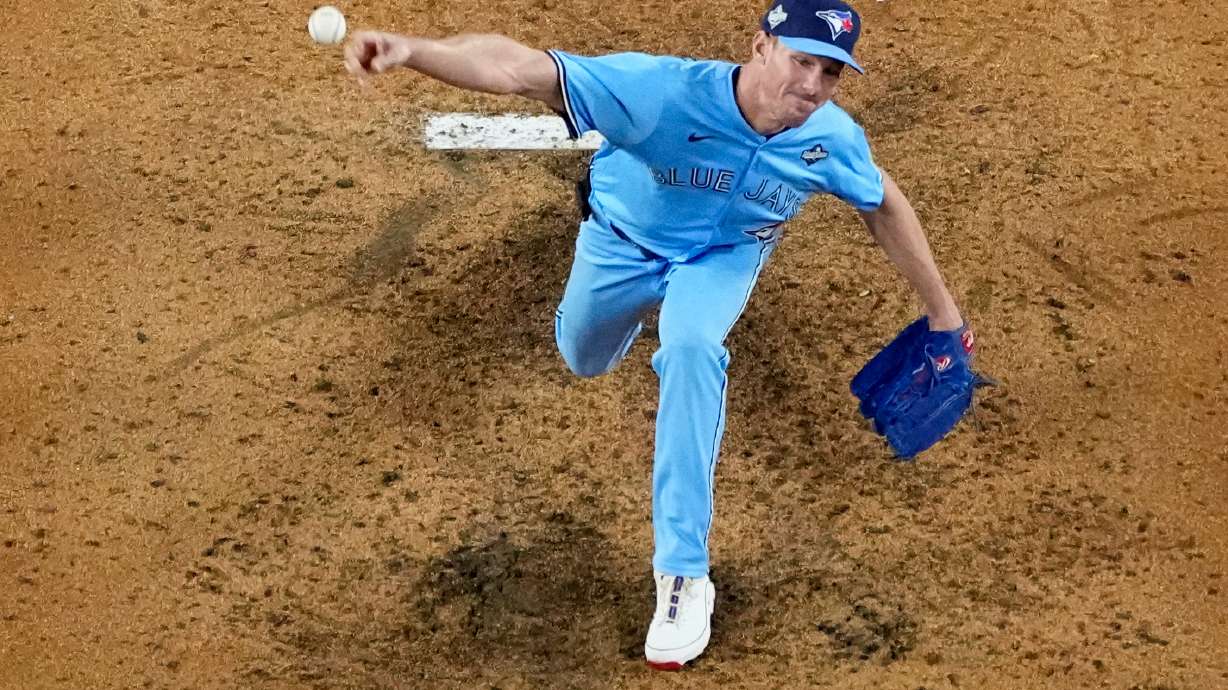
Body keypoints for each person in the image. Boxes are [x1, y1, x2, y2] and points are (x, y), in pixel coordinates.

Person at [344, 0, 966, 670]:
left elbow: (882, 201)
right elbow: (519, 68)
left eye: (832, 73)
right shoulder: (660, 93)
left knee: (694, 348)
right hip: (621, 241)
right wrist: (414, 50)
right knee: (581, 356)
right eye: (802, 61)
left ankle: (682, 577)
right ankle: (633, 307)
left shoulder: (829, 138)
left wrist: (945, 315)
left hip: (722, 259)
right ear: (761, 46)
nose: (813, 86)